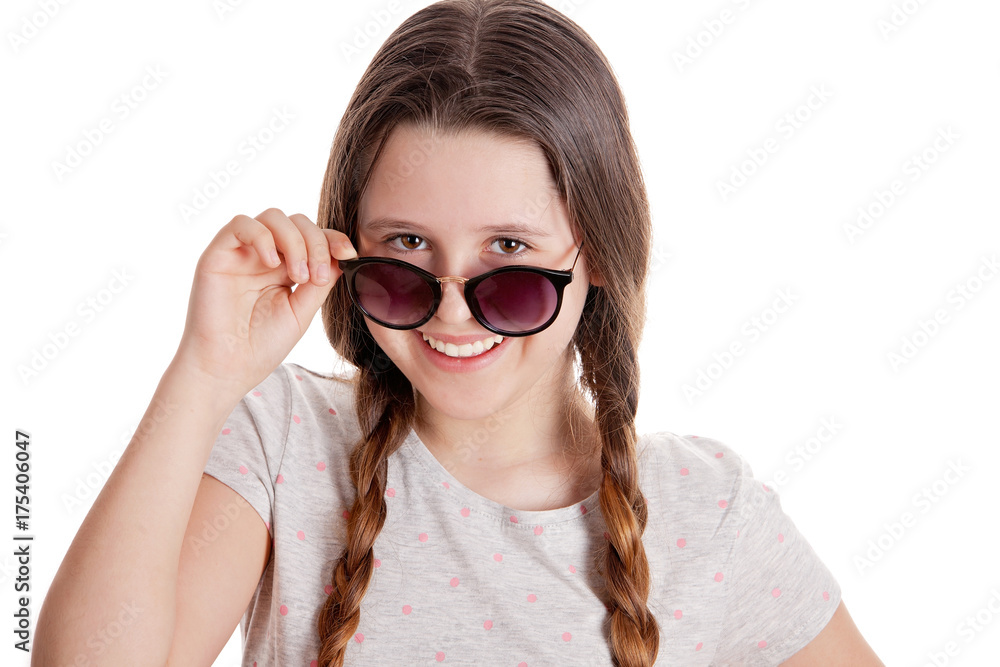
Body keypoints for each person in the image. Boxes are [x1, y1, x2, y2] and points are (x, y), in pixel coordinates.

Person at [33, 0, 884, 665]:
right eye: (407, 247)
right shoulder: (284, 438)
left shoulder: (709, 510)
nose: (451, 311)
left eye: (508, 253)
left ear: (594, 253)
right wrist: (204, 373)